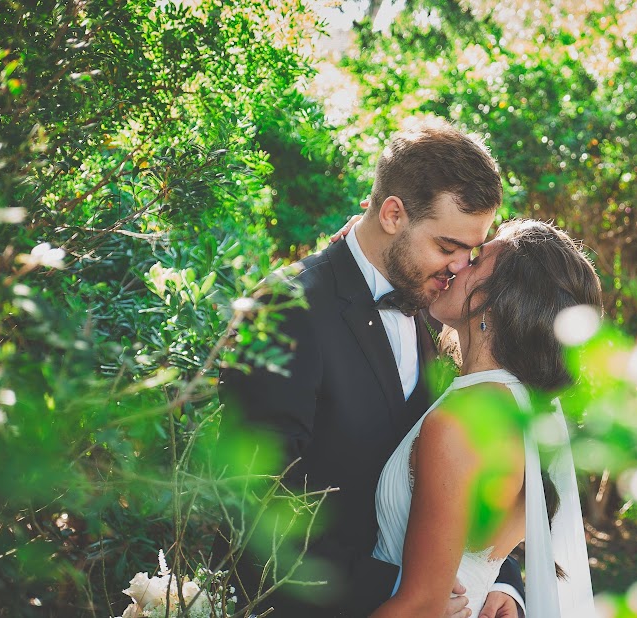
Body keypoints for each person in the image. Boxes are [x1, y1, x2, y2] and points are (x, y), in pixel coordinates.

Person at [218, 119, 525, 617]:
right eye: (447, 247)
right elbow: (255, 512)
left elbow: (464, 470)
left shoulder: (440, 309)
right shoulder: (285, 310)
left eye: (471, 251)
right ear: (392, 214)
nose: (459, 268)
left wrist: (497, 581)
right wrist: (407, 593)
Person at [369, 219, 602, 617]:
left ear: (497, 302)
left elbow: (420, 607)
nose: (458, 266)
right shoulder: (519, 409)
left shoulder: (466, 422)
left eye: (476, 262)